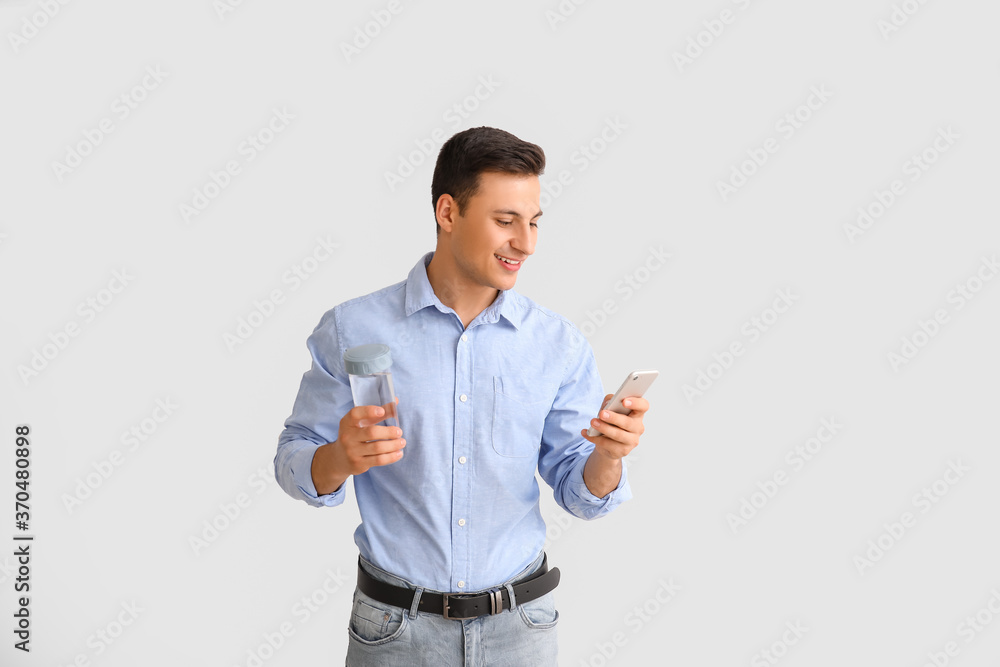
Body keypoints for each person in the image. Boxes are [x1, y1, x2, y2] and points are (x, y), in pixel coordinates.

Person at [273, 126, 650, 666]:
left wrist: (608, 456)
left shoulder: (558, 345)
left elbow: (579, 489)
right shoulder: (352, 328)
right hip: (394, 632)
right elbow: (293, 457)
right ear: (448, 213)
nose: (526, 242)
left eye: (534, 222)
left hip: (521, 632)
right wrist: (337, 457)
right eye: (505, 221)